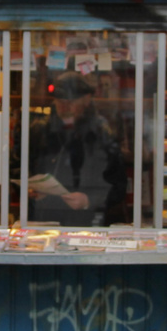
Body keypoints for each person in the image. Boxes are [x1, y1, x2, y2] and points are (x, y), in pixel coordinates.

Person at [26, 72, 128, 226]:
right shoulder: (40, 130)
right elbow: (18, 167)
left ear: (86, 100)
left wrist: (89, 200)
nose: (65, 107)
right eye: (60, 101)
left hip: (88, 220)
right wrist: (31, 189)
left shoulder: (102, 133)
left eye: (71, 102)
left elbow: (119, 184)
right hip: (44, 218)